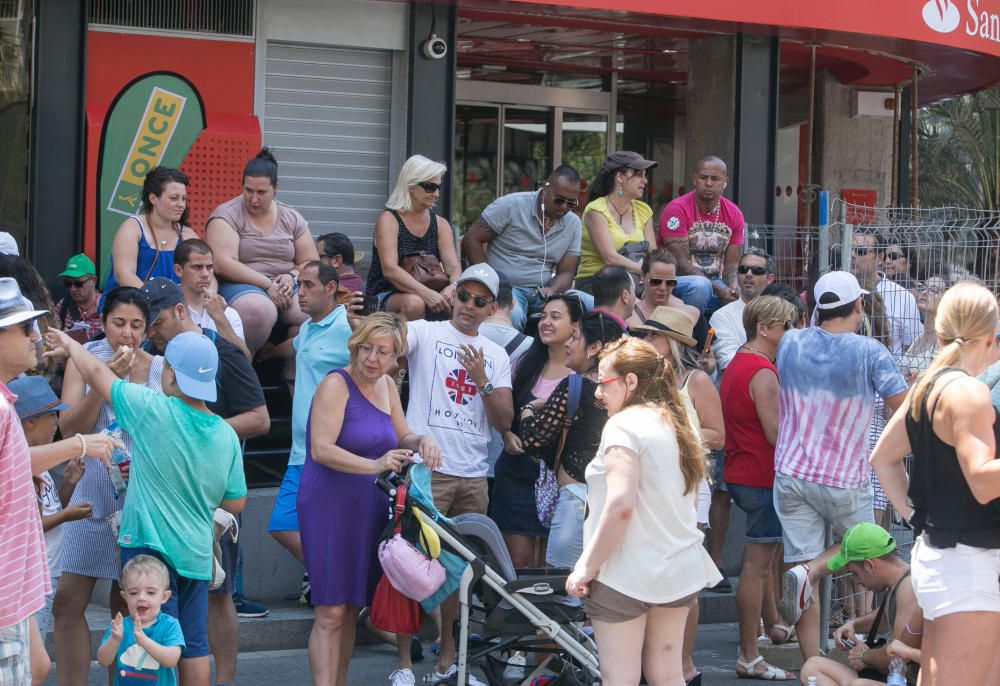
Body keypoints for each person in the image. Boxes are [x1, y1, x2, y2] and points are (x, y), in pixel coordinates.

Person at [45, 327, 248, 686]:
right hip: (196, 556)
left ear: (169, 372)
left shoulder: (152, 409)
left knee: (150, 639)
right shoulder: (225, 434)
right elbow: (235, 501)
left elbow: (98, 376)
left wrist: (72, 345)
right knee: (193, 644)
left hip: (149, 554)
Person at [297, 313, 442, 686]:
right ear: (355, 345)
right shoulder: (336, 384)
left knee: (349, 609)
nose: (372, 358)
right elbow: (321, 448)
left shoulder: (388, 386)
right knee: (329, 611)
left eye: (383, 352)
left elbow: (403, 434)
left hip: (369, 505)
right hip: (330, 504)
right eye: (366, 348)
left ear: (395, 358)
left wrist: (422, 440)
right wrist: (374, 463)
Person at [566, 337, 721, 686]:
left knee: (620, 678)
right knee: (668, 675)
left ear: (630, 382)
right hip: (677, 567)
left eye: (604, 383)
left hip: (624, 573)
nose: (598, 393)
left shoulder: (623, 425)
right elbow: (691, 502)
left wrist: (586, 568)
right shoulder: (680, 424)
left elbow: (620, 504)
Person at [140, 276, 270, 686]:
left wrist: (200, 433)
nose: (152, 334)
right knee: (157, 591)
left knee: (217, 593)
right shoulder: (148, 353)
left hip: (214, 498)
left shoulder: (223, 352)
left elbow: (260, 419)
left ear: (180, 311)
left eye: (156, 323)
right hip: (159, 497)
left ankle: (225, 680)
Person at [870, 282, 1000, 686]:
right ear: (992, 336)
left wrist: (915, 517)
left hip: (943, 555)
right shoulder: (968, 393)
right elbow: (981, 480)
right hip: (967, 561)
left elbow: (882, 460)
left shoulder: (928, 386)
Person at [774, 271, 908, 661]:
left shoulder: (790, 343)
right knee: (869, 551)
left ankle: (812, 666)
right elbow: (903, 407)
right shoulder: (870, 351)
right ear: (859, 306)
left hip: (791, 472)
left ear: (817, 308)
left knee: (800, 573)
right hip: (844, 477)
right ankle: (862, 643)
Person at [0, 277, 120, 686]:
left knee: (37, 667)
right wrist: (82, 444)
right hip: (4, 585)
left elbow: (15, 462)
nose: (35, 336)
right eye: (23, 327)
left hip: (15, 584)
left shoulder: (4, 399)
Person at [403, 263, 513, 684]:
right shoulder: (425, 332)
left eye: (479, 300)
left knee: (463, 571)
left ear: (492, 308)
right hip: (430, 471)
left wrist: (482, 379)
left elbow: (504, 421)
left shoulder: (497, 354)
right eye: (463, 296)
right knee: (415, 564)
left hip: (474, 474)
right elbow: (386, 342)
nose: (468, 306)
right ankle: (413, 661)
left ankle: (451, 657)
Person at [53, 287, 166, 686]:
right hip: (89, 489)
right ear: (102, 323)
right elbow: (68, 429)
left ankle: (125, 680)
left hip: (138, 496)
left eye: (137, 326)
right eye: (119, 323)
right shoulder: (84, 362)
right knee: (68, 600)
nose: (127, 334)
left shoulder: (159, 368)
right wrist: (107, 384)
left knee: (128, 603)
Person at [630, 305, 723, 682]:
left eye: (653, 335)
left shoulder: (695, 380)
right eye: (644, 334)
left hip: (687, 483)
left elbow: (718, 435)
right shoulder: (642, 377)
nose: (645, 340)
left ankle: (684, 666)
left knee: (684, 579)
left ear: (673, 343)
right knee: (649, 577)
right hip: (646, 485)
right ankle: (657, 664)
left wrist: (670, 439)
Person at [718, 296, 799, 680]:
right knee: (756, 567)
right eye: (786, 326)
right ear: (764, 328)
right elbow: (775, 433)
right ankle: (749, 654)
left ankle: (767, 630)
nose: (790, 333)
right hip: (760, 477)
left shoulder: (739, 362)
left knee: (761, 566)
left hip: (743, 473)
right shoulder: (762, 370)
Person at [519, 311, 623, 568]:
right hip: (613, 503)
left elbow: (534, 439)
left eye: (575, 337)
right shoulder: (625, 390)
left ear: (595, 347)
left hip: (576, 500)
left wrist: (529, 410)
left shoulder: (575, 386)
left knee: (565, 591)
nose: (567, 343)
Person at [267, 262, 353, 566]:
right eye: (298, 285)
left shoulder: (348, 327)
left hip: (331, 449)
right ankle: (335, 579)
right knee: (283, 526)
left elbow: (384, 368)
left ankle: (340, 581)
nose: (299, 293)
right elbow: (297, 347)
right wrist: (268, 352)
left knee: (292, 525)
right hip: (301, 451)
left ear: (331, 289)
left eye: (308, 286)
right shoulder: (307, 327)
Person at [493, 295, 582, 567]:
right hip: (516, 473)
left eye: (555, 317)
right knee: (517, 563)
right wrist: (506, 434)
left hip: (558, 478)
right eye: (543, 316)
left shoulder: (581, 372)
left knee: (549, 567)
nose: (546, 322)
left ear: (575, 326)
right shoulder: (523, 364)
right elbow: (505, 415)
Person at [205, 147, 319, 354]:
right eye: (248, 191)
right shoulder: (227, 215)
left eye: (261, 192)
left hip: (285, 284)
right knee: (257, 310)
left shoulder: (291, 217)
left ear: (276, 189)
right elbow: (222, 263)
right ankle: (244, 365)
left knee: (311, 308)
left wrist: (292, 275)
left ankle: (291, 372)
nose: (254, 199)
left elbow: (311, 260)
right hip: (241, 284)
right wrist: (266, 284)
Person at [462, 166, 587, 330]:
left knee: (589, 305)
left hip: (543, 292)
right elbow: (472, 238)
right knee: (514, 315)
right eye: (559, 200)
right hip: (507, 288)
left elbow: (567, 271)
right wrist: (490, 281)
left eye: (571, 203)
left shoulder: (573, 223)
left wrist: (553, 289)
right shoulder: (512, 205)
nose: (564, 207)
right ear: (545, 188)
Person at [9, 376, 84, 638]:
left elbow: (50, 507)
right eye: (51, 416)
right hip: (30, 578)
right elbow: (32, 525)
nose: (56, 423)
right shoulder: (22, 466)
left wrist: (69, 484)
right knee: (32, 656)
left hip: (48, 572)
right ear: (29, 422)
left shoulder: (43, 465)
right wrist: (68, 516)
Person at [800, 523, 920, 686]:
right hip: (896, 677)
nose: (855, 580)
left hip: (910, 681)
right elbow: (886, 617)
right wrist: (853, 625)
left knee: (858, 685)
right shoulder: (897, 582)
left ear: (870, 565)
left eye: (855, 573)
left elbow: (896, 656)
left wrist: (865, 656)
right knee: (812, 666)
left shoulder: (908, 588)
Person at [365, 154, 462, 321]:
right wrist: (426, 293)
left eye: (438, 187)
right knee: (415, 303)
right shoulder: (389, 219)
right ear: (411, 186)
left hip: (431, 291)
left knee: (459, 302)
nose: (436, 193)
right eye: (430, 187)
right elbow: (390, 269)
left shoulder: (440, 224)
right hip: (386, 293)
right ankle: (405, 347)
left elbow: (454, 268)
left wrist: (452, 287)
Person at [100, 167, 197, 311]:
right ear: (153, 198)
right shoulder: (131, 229)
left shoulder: (188, 235)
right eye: (174, 198)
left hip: (174, 313)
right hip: (128, 308)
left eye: (184, 199)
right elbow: (124, 275)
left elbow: (206, 274)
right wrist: (160, 306)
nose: (181, 204)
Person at [658, 156, 745, 316]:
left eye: (715, 179)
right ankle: (689, 337)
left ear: (725, 181)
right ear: (695, 179)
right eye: (704, 177)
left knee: (747, 295)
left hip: (716, 281)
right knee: (700, 286)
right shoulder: (676, 209)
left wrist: (733, 288)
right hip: (675, 281)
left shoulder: (734, 214)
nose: (709, 183)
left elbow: (732, 265)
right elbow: (680, 264)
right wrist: (718, 289)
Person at [96, 555, 185, 685]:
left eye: (150, 592)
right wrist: (114, 640)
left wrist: (144, 641)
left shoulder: (169, 625)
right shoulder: (120, 626)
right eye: (133, 593)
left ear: (164, 597)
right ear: (125, 597)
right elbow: (103, 661)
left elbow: (171, 660)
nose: (141, 597)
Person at [576, 151, 657, 292]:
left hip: (638, 279)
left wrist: (658, 276)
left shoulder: (644, 210)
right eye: (639, 174)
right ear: (620, 177)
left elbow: (653, 255)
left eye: (645, 175)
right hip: (597, 282)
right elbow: (610, 258)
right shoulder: (596, 210)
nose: (645, 181)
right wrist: (649, 273)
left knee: (695, 285)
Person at [850, 228, 922, 355]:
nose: (852, 255)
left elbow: (912, 347)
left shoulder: (902, 297)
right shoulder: (835, 288)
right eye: (849, 249)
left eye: (860, 251)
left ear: (879, 258)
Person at [173, 239, 249, 359]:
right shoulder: (167, 307)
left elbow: (245, 361)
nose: (205, 274)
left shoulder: (227, 313)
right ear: (178, 270)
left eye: (209, 267)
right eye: (197, 267)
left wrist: (220, 318)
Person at [709, 248, 776, 372]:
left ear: (770, 279)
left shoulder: (778, 313)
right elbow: (728, 363)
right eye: (743, 269)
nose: (749, 274)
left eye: (757, 270)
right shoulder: (722, 316)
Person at [627, 248, 700, 328]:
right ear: (643, 276)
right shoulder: (628, 315)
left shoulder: (690, 314)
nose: (663, 288)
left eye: (670, 282)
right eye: (656, 281)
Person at [898, 274, 951, 383]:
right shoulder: (919, 337)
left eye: (934, 290)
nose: (924, 292)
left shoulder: (945, 340)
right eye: (923, 288)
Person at [55, 253, 103, 338]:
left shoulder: (107, 307)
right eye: (68, 283)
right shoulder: (63, 306)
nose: (73, 289)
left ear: (93, 281)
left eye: (78, 283)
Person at [590, 266, 636, 332]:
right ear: (625, 296)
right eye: (634, 291)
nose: (635, 297)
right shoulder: (619, 337)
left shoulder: (578, 326)